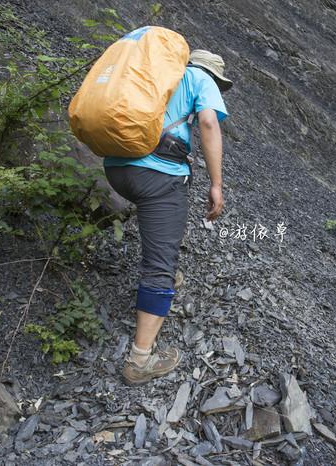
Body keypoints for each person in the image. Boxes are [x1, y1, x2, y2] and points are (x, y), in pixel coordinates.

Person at [103, 49, 232, 385]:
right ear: (212, 74)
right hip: (158, 172)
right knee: (160, 264)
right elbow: (207, 122)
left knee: (160, 223)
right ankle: (140, 360)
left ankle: (162, 278)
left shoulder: (158, 76)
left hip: (118, 167)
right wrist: (217, 184)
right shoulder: (200, 78)